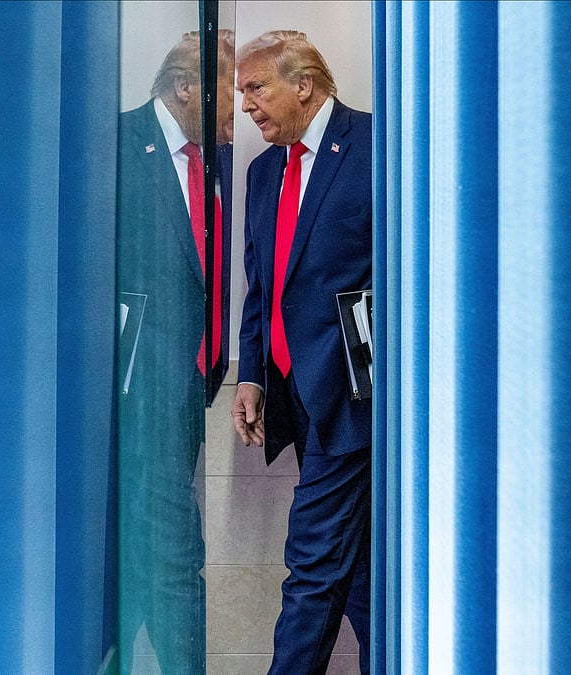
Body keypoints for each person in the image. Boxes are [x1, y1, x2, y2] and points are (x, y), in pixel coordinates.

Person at [231, 30, 372, 675]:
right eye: (240, 94)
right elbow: (260, 285)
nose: (246, 107)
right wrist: (252, 378)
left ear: (304, 85)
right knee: (358, 570)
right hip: (294, 394)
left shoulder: (375, 146)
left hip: (354, 397)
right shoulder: (262, 173)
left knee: (312, 561)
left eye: (255, 89)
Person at [115, 28, 235, 674]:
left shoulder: (207, 164)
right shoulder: (117, 145)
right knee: (172, 559)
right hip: (136, 395)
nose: (237, 108)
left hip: (185, 394)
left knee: (147, 561)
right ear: (186, 87)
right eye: (225, 91)